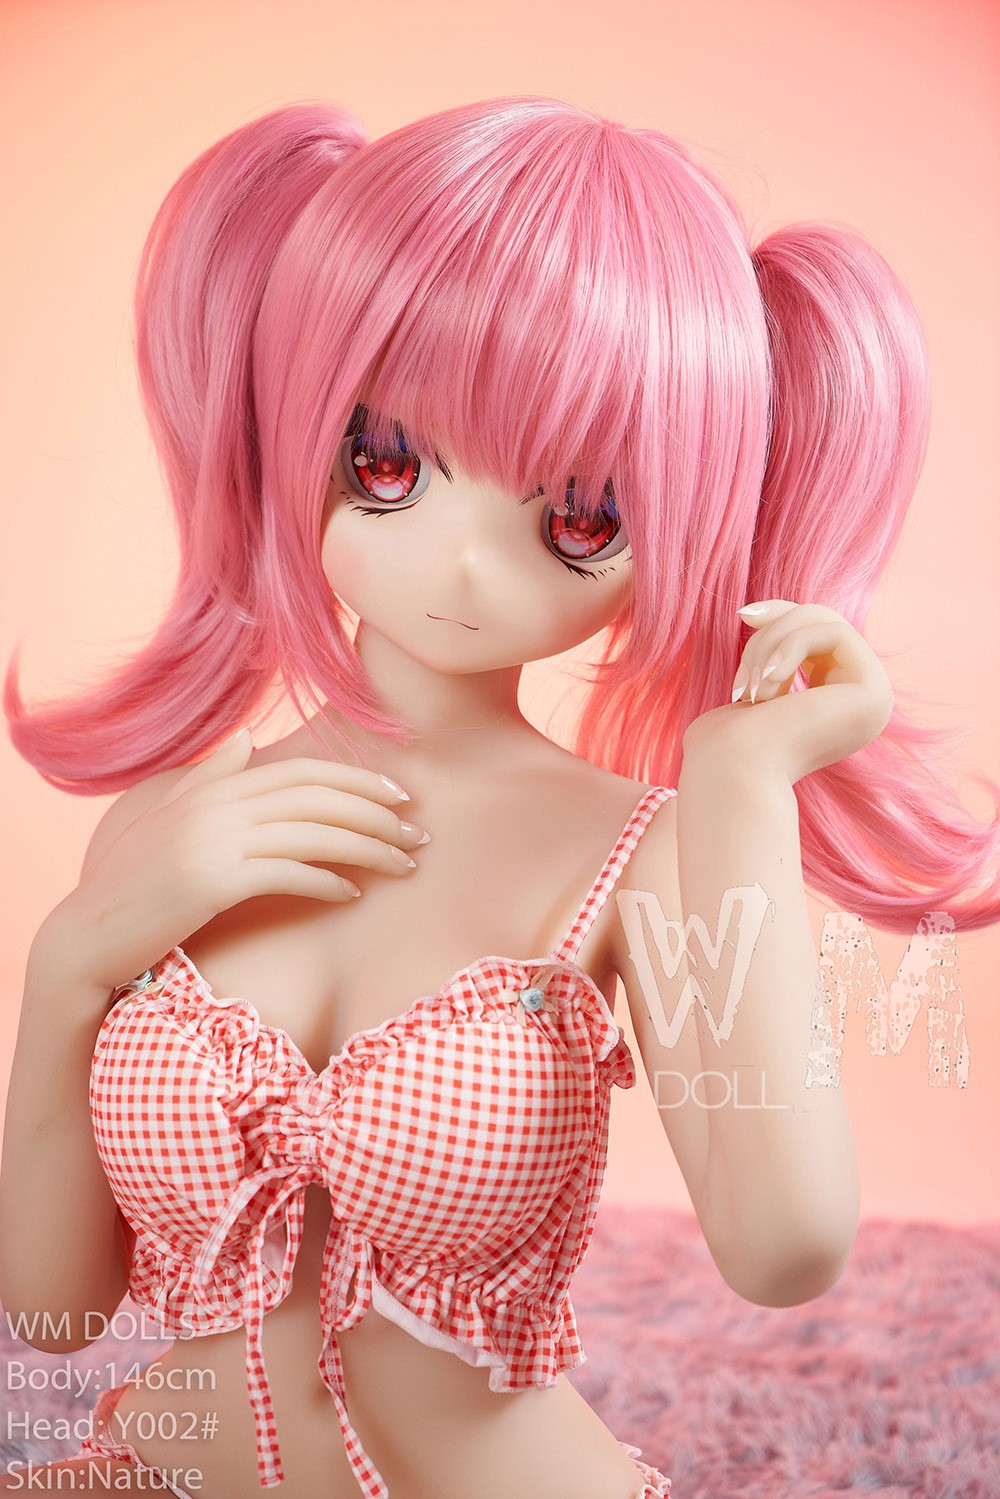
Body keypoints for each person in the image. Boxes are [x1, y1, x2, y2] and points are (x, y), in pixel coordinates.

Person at [1, 95, 997, 1499]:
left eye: (580, 516)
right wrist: (69, 963)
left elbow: (785, 1248)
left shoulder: (636, 857)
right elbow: (50, 1318)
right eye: (390, 461)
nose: (464, 563)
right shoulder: (173, 834)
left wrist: (741, 782)